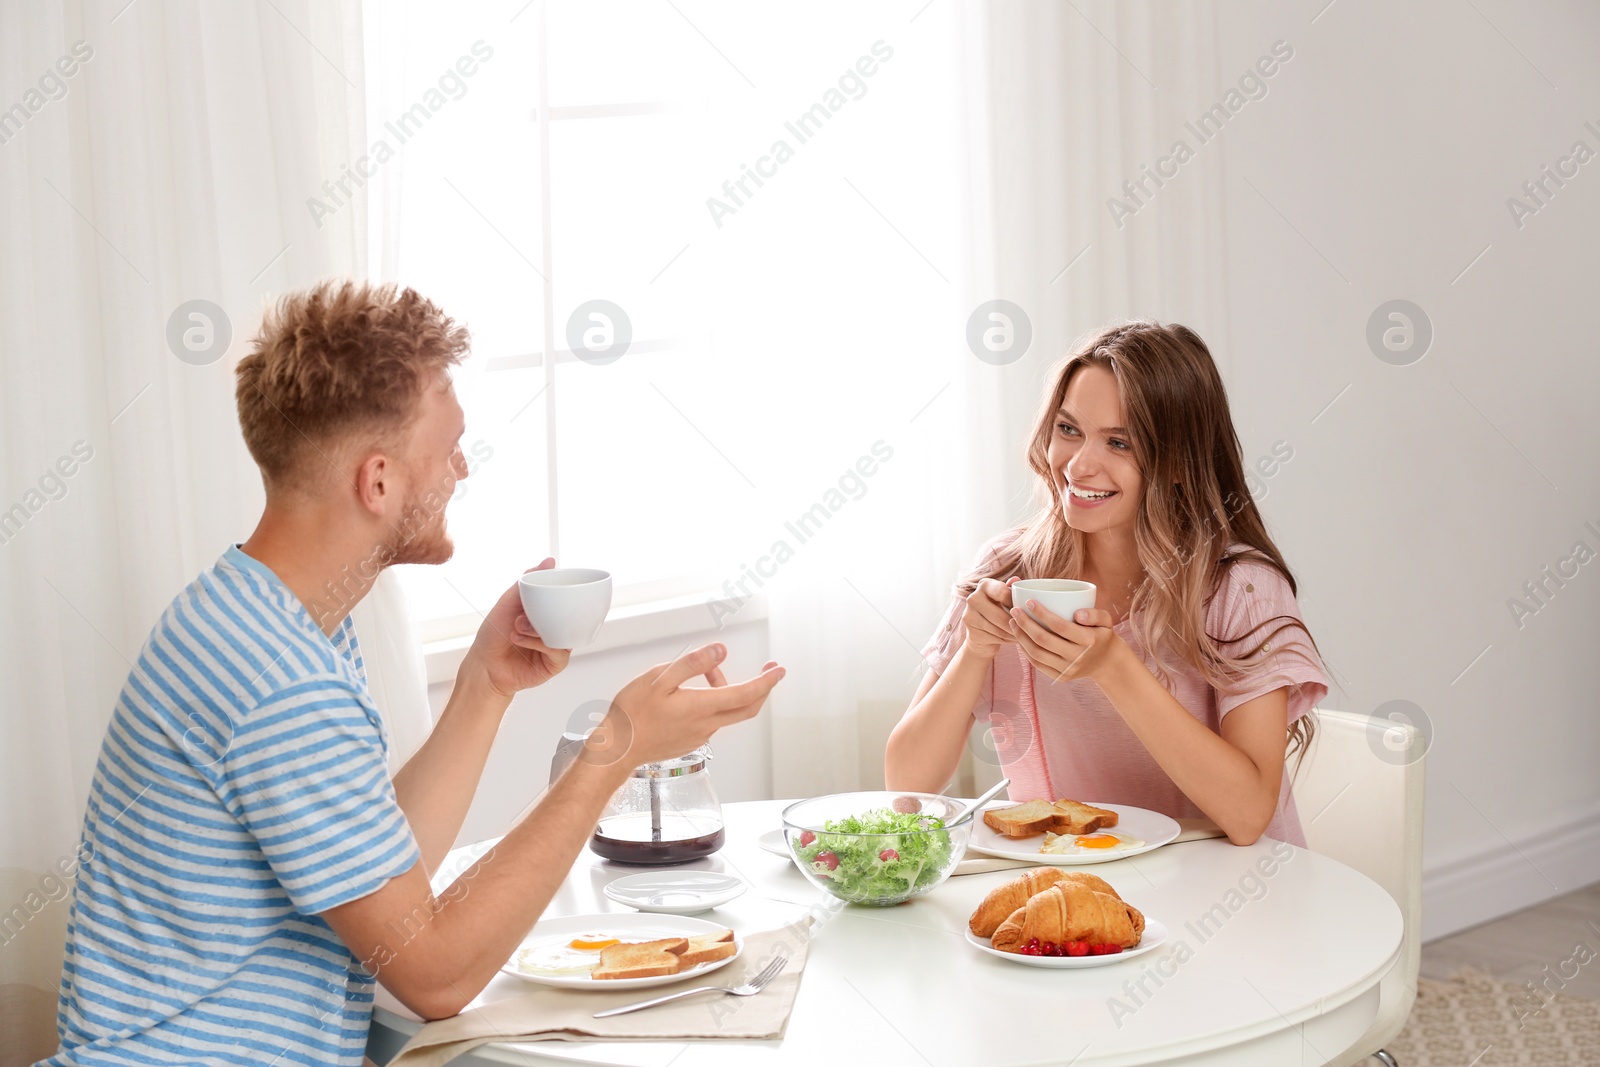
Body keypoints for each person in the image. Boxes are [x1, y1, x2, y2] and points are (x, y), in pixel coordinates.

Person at [38, 281, 786, 1067]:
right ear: (379, 480)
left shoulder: (269, 619)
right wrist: (614, 751)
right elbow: (434, 973)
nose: (462, 467)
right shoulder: (282, 682)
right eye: (450, 446)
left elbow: (387, 879)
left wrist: (485, 686)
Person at [885, 320, 1327, 847]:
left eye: (1119, 443)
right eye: (1069, 430)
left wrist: (1115, 666)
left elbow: (1250, 814)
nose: (1079, 464)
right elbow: (907, 786)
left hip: (1226, 897)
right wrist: (976, 650)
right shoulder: (1008, 570)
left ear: (1181, 463)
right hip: (1071, 892)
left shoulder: (1239, 588)